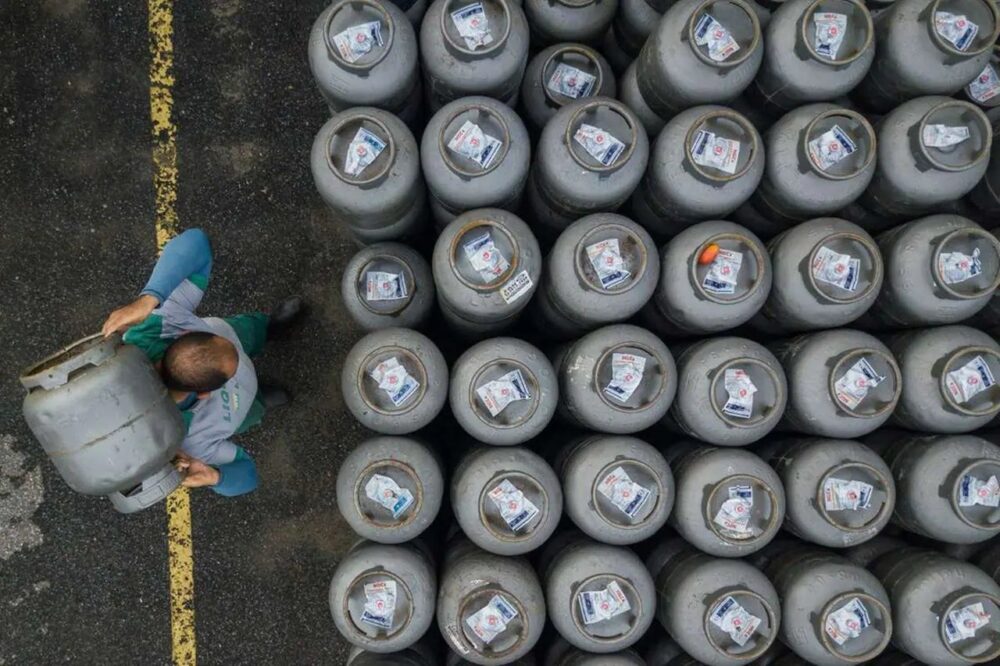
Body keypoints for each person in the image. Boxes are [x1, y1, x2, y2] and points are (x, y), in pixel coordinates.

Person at [101, 228, 302, 497]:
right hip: (241, 405)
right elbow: (248, 476)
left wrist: (149, 297)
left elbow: (196, 240)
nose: (239, 360)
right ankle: (261, 399)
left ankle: (271, 328)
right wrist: (214, 477)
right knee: (251, 410)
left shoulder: (158, 322)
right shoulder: (187, 444)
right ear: (206, 393)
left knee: (248, 330)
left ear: (185, 334)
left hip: (232, 382)